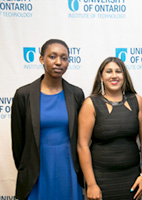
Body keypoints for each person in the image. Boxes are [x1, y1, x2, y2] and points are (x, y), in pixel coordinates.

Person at [11, 39, 85, 200]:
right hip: (37, 173)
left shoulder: (77, 94)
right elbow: (18, 144)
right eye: (52, 56)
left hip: (69, 171)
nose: (59, 62)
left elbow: (82, 138)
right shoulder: (23, 95)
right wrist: (27, 168)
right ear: (41, 59)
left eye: (64, 58)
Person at [77, 57, 142, 200]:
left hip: (132, 179)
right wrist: (91, 184)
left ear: (124, 76)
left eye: (118, 71)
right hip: (101, 180)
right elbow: (82, 146)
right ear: (101, 77)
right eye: (108, 71)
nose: (114, 75)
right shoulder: (91, 104)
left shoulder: (137, 101)